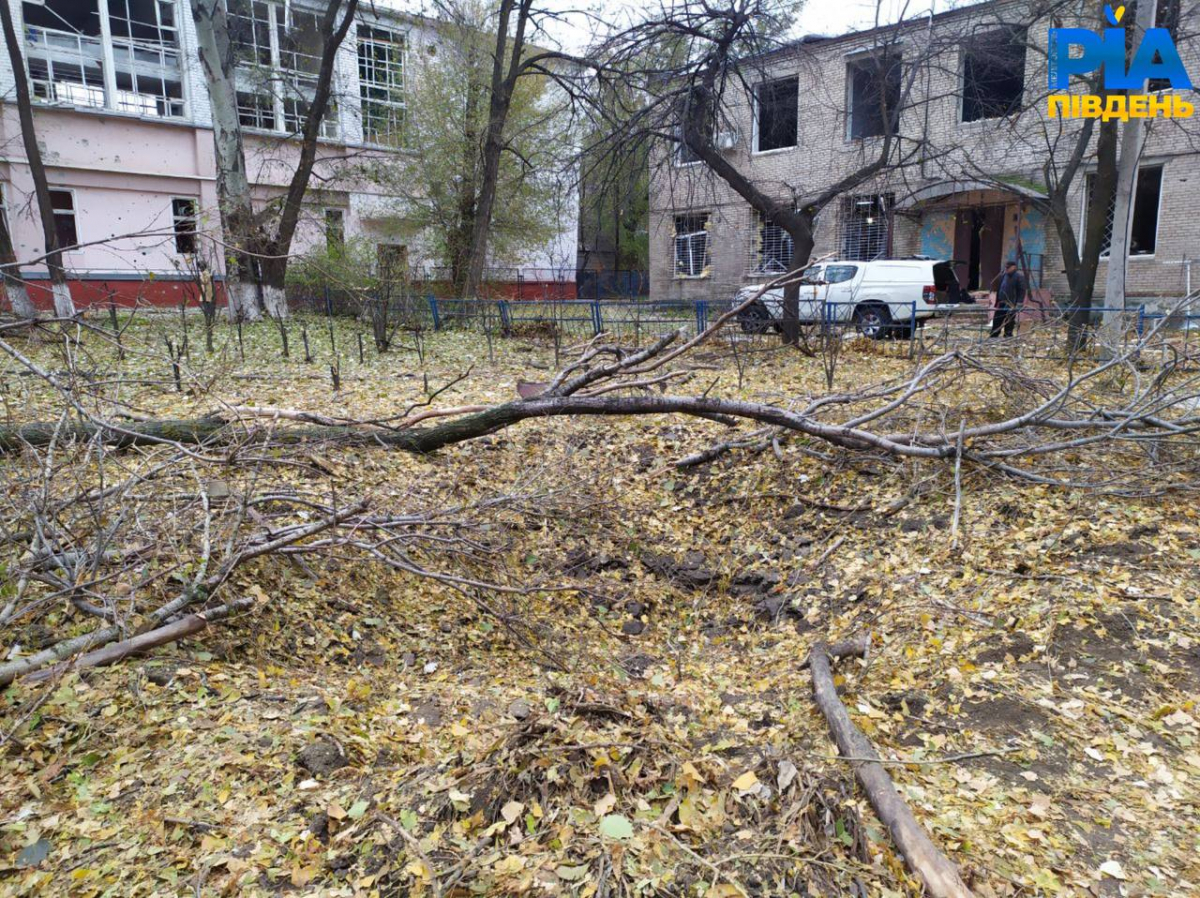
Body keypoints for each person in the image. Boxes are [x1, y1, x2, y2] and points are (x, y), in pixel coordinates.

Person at [989, 260, 1026, 338]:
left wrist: (1019, 303)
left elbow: (1022, 290)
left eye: (1008, 268)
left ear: (1014, 267)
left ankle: (1008, 335)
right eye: (1006, 268)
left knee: (1009, 320)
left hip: (1011, 303)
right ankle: (994, 334)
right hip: (1001, 301)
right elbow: (997, 286)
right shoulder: (1003, 275)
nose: (1006, 269)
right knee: (997, 319)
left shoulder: (1019, 277)